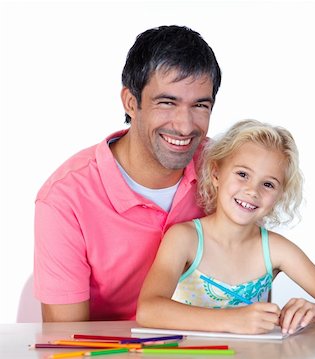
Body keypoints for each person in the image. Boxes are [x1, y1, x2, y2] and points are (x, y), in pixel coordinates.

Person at [33, 25, 222, 322]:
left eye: (200, 105)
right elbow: (64, 340)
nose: (185, 126)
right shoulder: (64, 198)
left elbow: (257, 263)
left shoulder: (223, 169)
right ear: (131, 103)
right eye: (167, 102)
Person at [136, 119, 315, 334]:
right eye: (242, 174)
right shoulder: (184, 239)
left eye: (268, 184)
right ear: (216, 173)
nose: (253, 191)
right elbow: (149, 310)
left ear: (279, 195)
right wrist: (232, 320)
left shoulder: (274, 249)